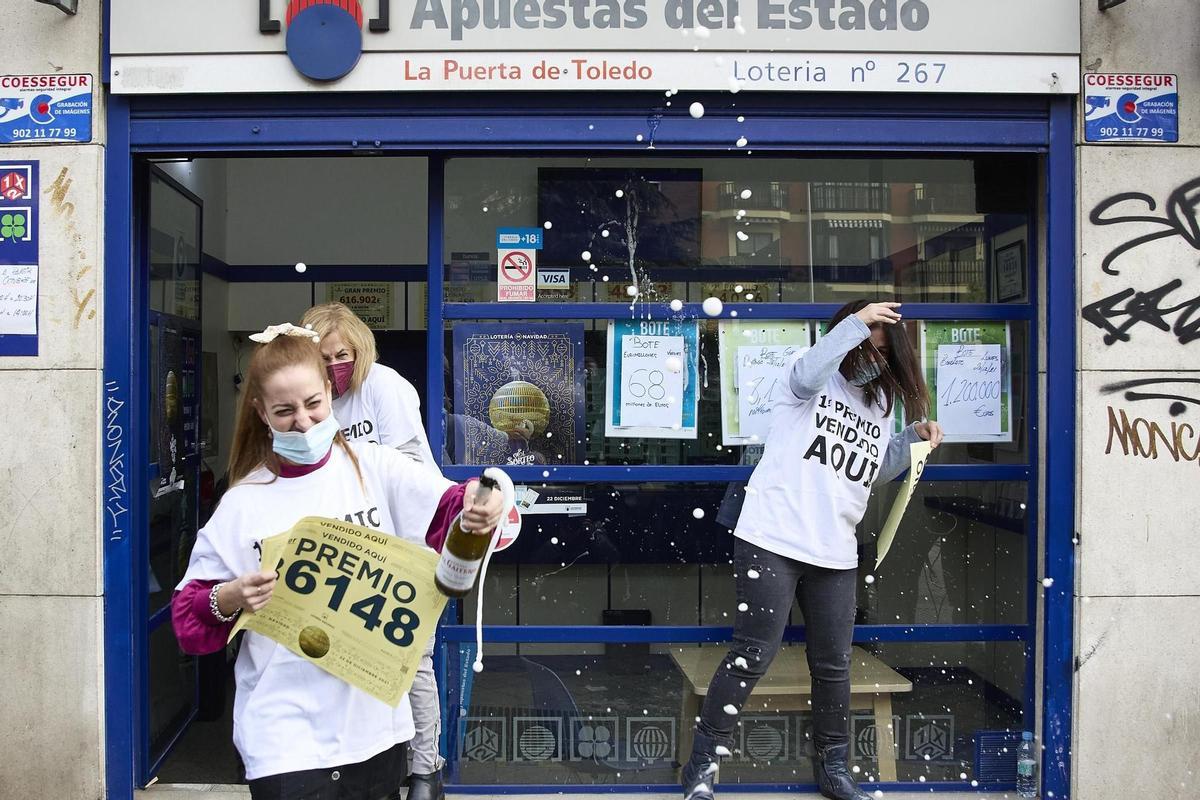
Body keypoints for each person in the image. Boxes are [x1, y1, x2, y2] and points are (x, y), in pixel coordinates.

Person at [171, 323, 504, 800]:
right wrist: (228, 597)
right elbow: (188, 623)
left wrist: (478, 501)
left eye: (313, 404)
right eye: (284, 412)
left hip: (376, 732)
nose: (303, 423)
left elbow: (447, 507)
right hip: (285, 741)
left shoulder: (376, 466)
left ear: (330, 390)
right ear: (261, 412)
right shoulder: (243, 502)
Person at [680, 300, 944, 800]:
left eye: (884, 351)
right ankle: (702, 767)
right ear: (846, 336)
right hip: (771, 538)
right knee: (752, 653)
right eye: (868, 342)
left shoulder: (879, 405)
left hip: (836, 551)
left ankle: (834, 770)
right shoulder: (806, 378)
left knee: (833, 665)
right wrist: (858, 323)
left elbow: (869, 468)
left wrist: (913, 439)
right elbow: (812, 372)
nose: (873, 356)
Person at [299, 302, 447, 800]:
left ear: (360, 349)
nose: (335, 365)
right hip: (345, 554)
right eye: (324, 357)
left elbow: (408, 466)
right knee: (351, 664)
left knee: (412, 662)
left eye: (343, 354)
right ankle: (368, 766)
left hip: (404, 545)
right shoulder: (309, 399)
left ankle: (425, 771)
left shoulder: (385, 387)